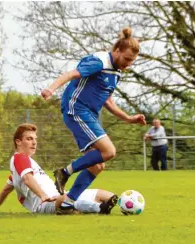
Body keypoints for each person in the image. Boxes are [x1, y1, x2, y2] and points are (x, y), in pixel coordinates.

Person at [40, 27, 146, 210]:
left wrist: (128, 118)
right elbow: (72, 74)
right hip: (76, 109)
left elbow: (108, 100)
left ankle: (67, 204)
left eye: (132, 61)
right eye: (127, 59)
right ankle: (64, 172)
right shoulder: (98, 62)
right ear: (117, 50)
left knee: (97, 166)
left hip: (89, 114)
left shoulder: (117, 72)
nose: (129, 64)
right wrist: (51, 88)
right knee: (109, 151)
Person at [0, 123, 118, 215]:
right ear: (18, 142)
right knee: (65, 201)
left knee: (108, 192)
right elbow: (28, 179)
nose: (34, 143)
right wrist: (43, 196)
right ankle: (97, 208)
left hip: (60, 196)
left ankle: (79, 206)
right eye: (29, 139)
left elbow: (6, 190)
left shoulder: (21, 168)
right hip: (46, 204)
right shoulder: (19, 158)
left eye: (35, 139)